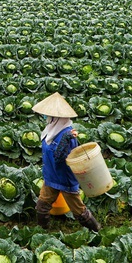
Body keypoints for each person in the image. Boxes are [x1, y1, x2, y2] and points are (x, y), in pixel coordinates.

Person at [32, 92, 101, 232]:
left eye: (49, 116)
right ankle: (42, 230)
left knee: (79, 210)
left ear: (57, 118)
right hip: (51, 176)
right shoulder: (50, 131)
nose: (46, 118)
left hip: (64, 179)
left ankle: (96, 230)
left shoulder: (68, 135)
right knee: (42, 205)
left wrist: (65, 140)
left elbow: (60, 157)